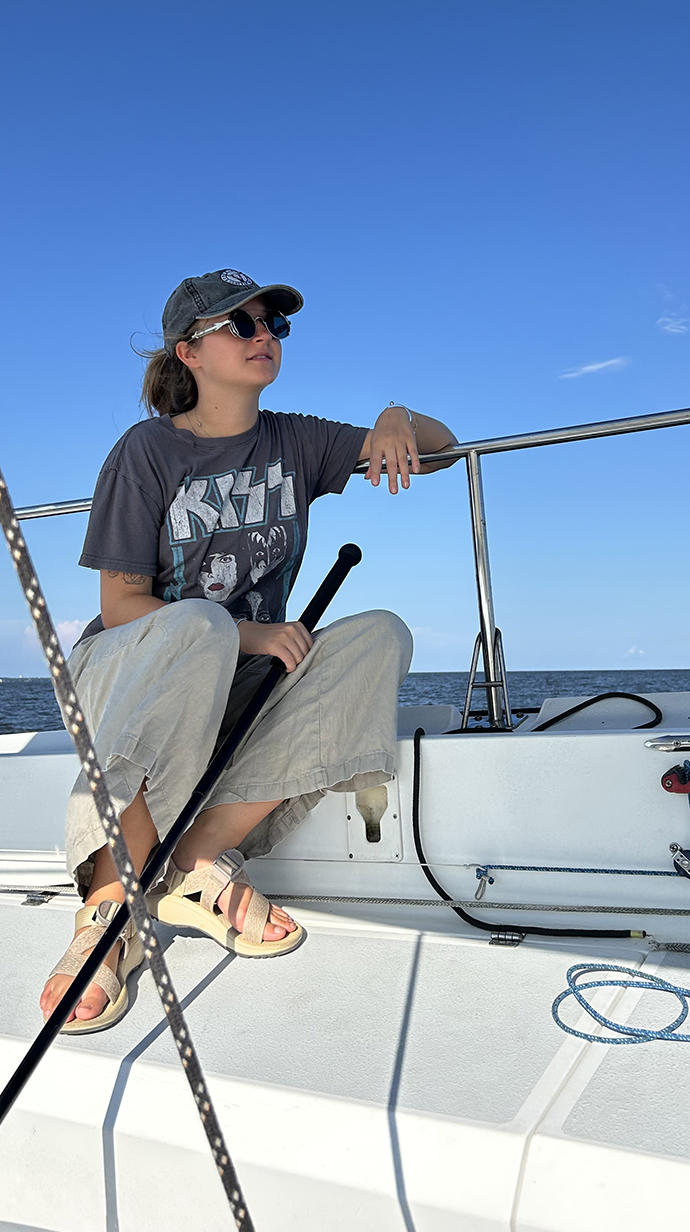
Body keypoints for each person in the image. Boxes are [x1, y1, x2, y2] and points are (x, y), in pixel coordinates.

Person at [39, 267, 458, 1033]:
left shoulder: (296, 440)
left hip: (243, 676)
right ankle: (106, 909)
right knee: (199, 624)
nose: (265, 335)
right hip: (138, 666)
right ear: (188, 352)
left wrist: (396, 415)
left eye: (274, 325)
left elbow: (445, 450)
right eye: (243, 325)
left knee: (380, 636)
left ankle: (193, 863)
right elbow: (122, 605)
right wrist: (252, 633)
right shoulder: (146, 451)